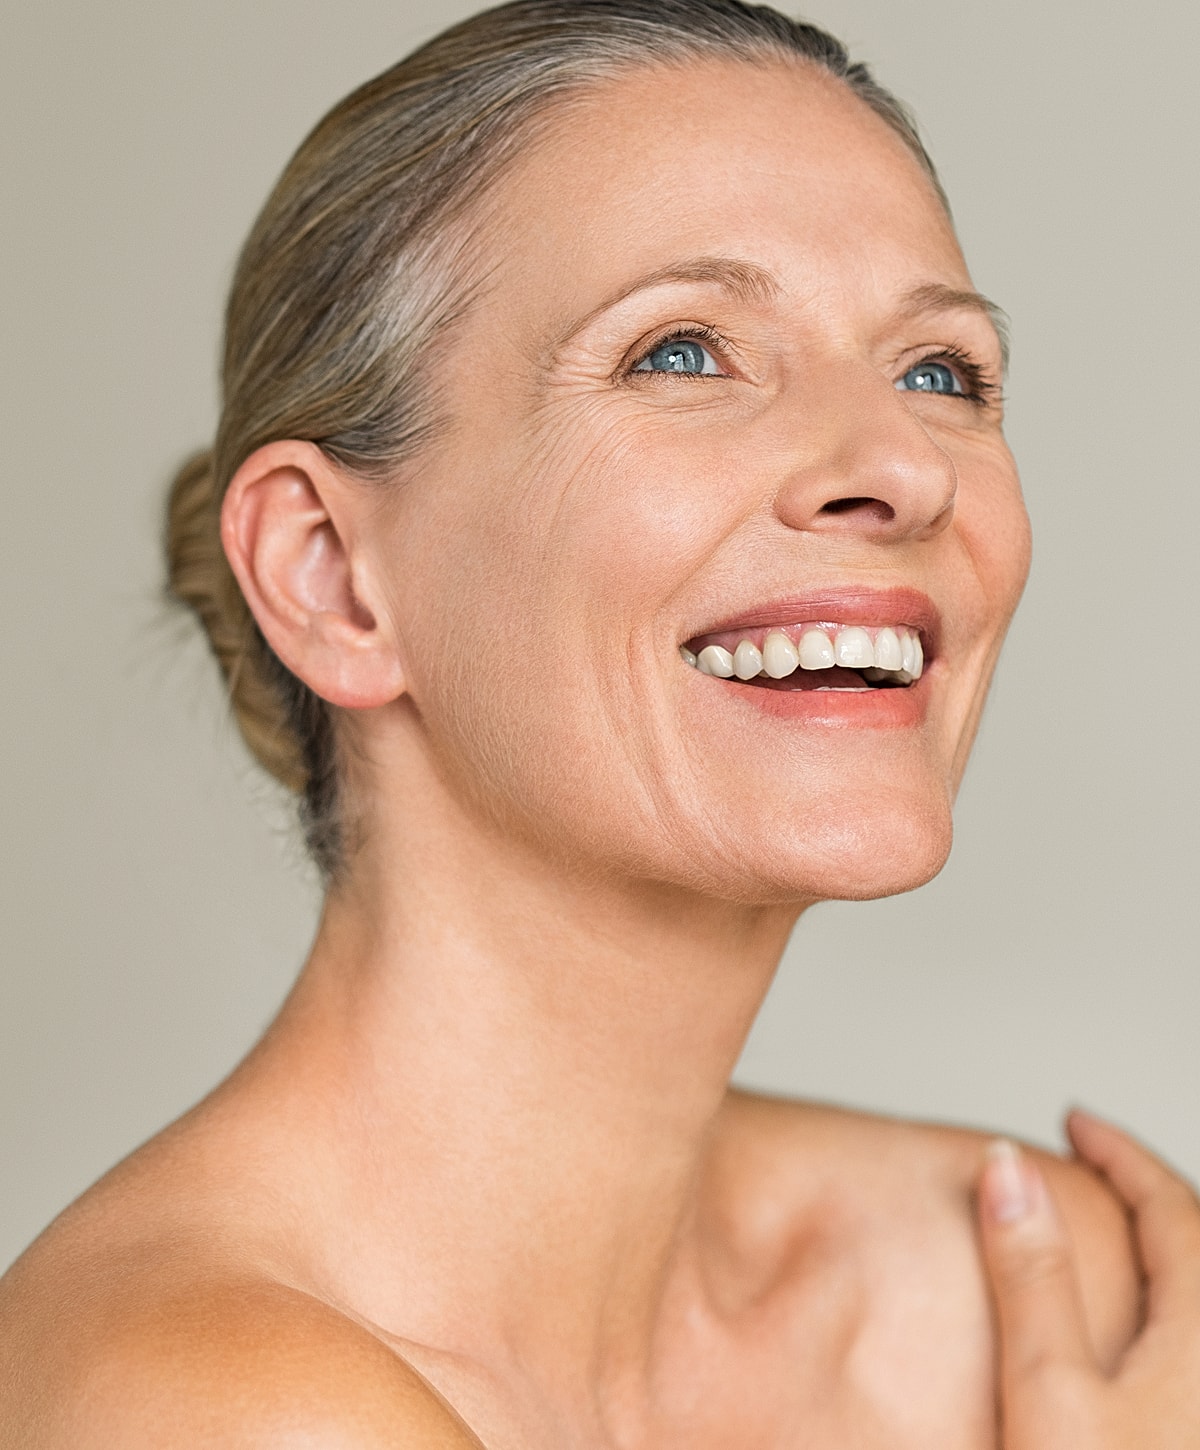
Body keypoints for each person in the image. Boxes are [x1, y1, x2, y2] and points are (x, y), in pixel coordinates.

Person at [1, 2, 1197, 1445]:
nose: (900, 465)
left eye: (941, 372)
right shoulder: (204, 1402)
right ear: (332, 578)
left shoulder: (1041, 1297)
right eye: (683, 352)